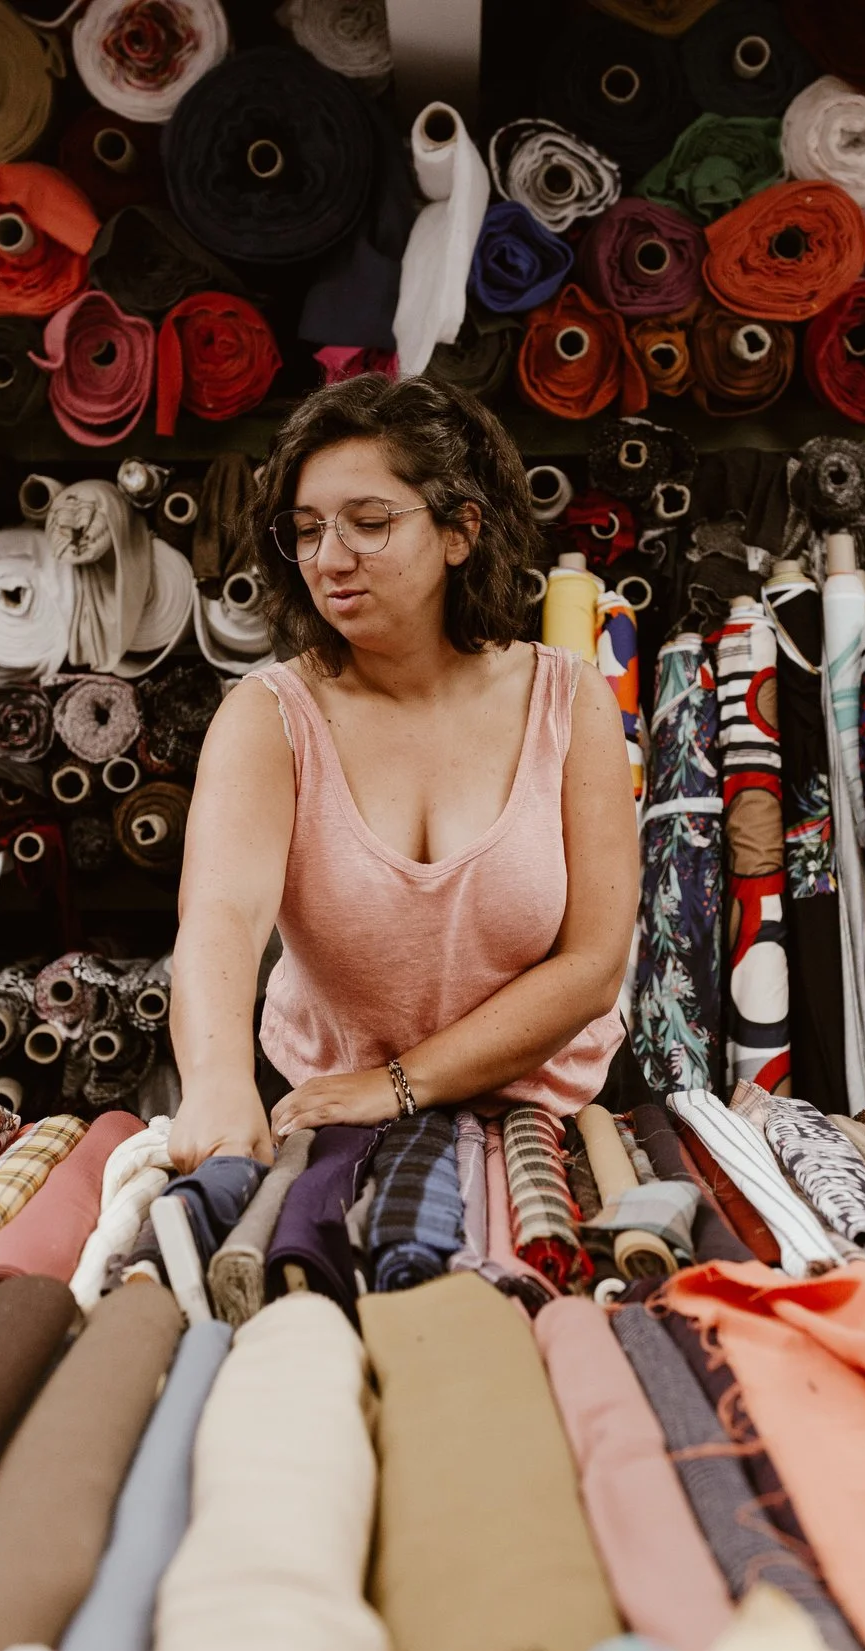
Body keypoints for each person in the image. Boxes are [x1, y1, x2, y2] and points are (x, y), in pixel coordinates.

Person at [166, 375, 638, 1170]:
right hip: (338, 1128)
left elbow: (594, 964)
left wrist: (401, 1081)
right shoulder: (270, 715)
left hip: (554, 1120)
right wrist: (214, 1080)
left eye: (369, 523)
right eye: (308, 529)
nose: (330, 558)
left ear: (459, 532)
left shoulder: (567, 699)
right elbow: (222, 914)